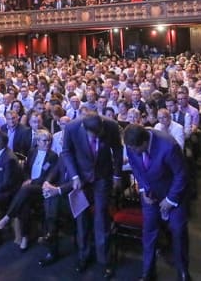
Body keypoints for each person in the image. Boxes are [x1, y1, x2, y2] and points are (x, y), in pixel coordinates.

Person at [123, 123, 190, 281]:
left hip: (173, 194)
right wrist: (143, 190)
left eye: (134, 149)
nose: (131, 151)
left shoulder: (168, 146)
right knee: (149, 232)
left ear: (145, 143)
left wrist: (170, 200)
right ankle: (148, 272)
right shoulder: (132, 144)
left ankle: (182, 271)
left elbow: (181, 175)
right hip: (150, 195)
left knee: (178, 231)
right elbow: (136, 167)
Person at [61, 112, 123, 279]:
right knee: (82, 218)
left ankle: (104, 260)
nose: (96, 136)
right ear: (84, 128)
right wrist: (74, 176)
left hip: (102, 176)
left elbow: (117, 149)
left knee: (101, 217)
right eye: (93, 134)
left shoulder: (110, 125)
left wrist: (117, 175)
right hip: (80, 177)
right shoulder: (72, 127)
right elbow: (66, 152)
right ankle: (84, 256)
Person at [0, 129, 58, 250]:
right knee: (24, 204)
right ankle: (24, 237)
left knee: (25, 190)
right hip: (28, 186)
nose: (48, 143)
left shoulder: (53, 156)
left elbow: (47, 177)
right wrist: (27, 179)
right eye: (44, 140)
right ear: (38, 141)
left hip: (42, 187)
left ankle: (7, 218)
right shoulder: (32, 152)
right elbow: (27, 170)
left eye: (49, 140)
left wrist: (31, 182)